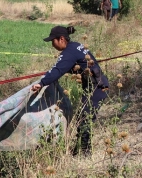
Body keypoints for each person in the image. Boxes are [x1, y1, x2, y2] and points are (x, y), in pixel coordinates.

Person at [31, 26, 109, 156]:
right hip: (96, 86)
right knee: (82, 118)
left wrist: (42, 83)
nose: (52, 44)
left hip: (96, 88)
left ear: (61, 39)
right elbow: (66, 67)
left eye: (53, 41)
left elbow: (58, 70)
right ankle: (79, 150)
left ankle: (84, 153)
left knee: (85, 119)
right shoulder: (75, 46)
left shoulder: (69, 52)